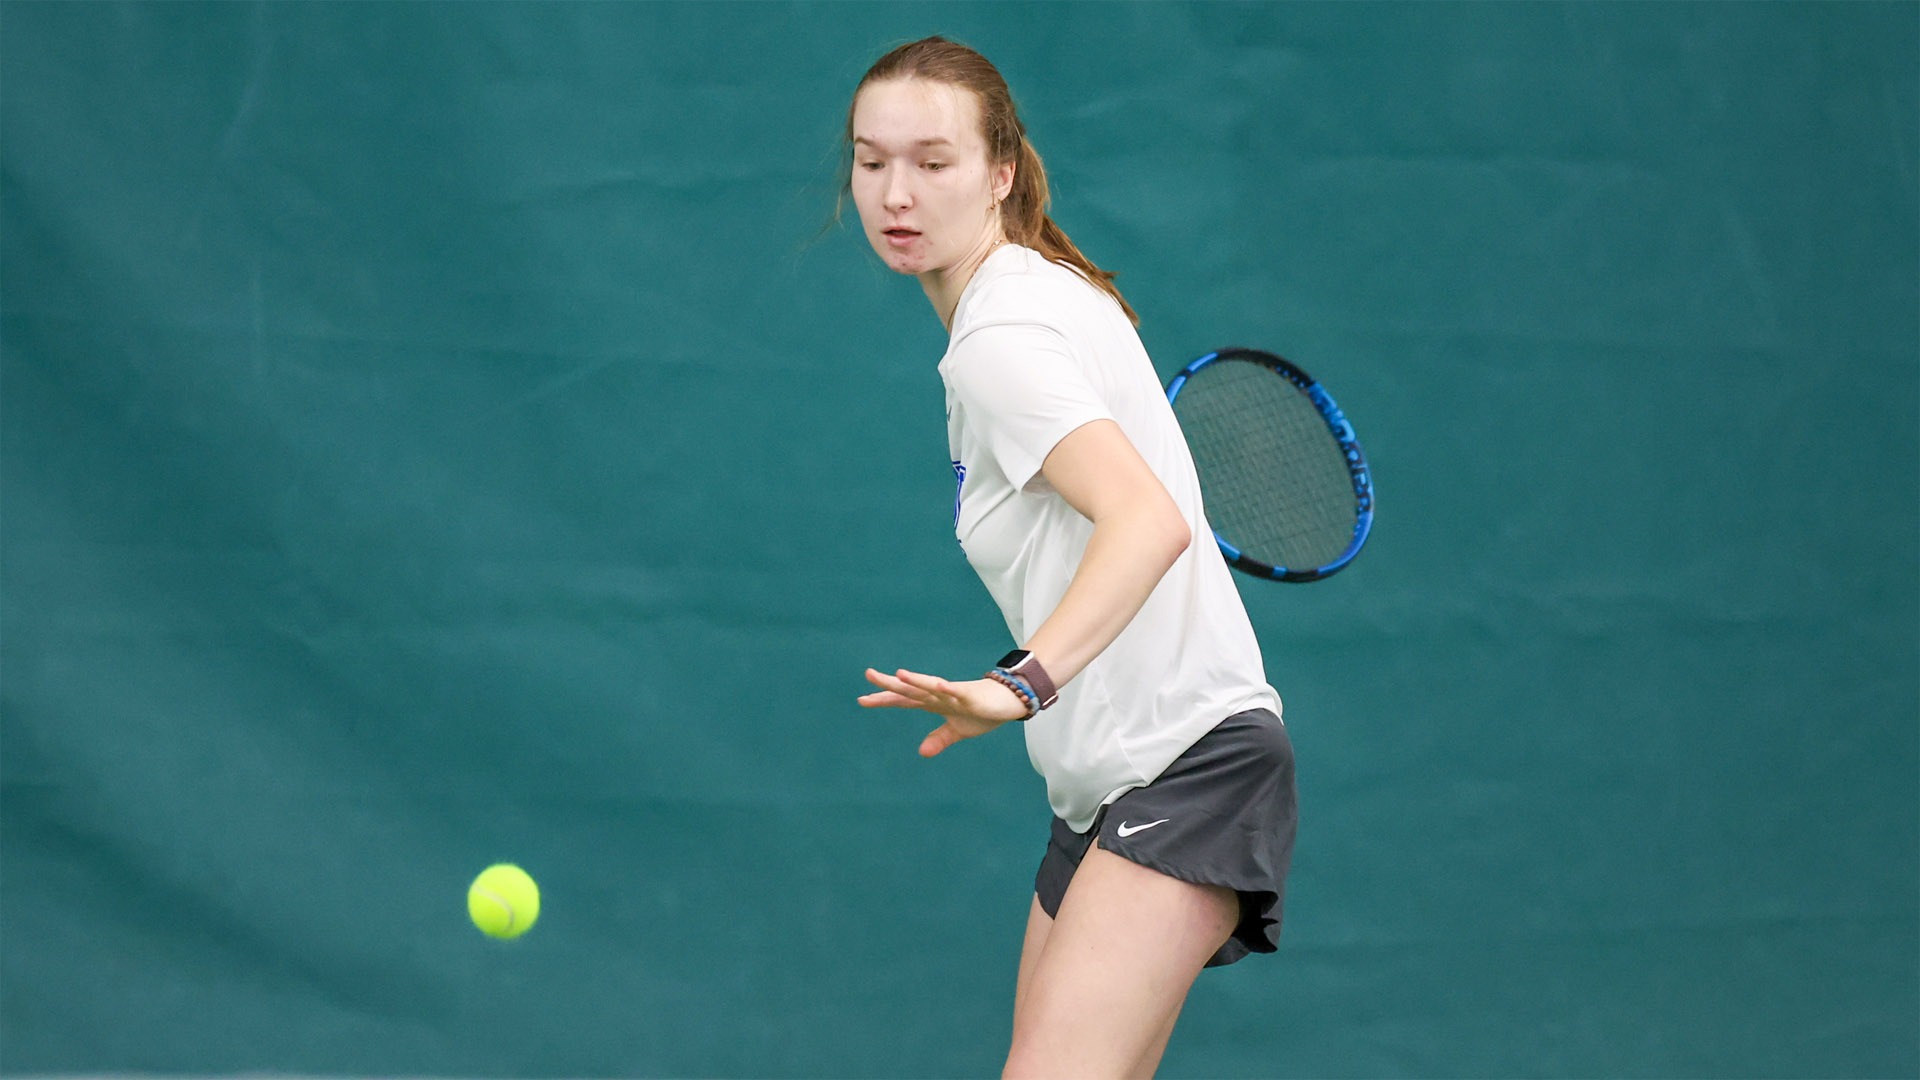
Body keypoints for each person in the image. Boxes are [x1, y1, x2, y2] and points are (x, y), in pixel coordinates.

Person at [845, 36, 1297, 1079]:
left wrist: (1019, 684)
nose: (896, 193)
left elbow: (1148, 520)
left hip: (1187, 760)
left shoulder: (1003, 336)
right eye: (872, 163)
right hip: (1102, 788)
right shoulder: (1039, 293)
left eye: (933, 161)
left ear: (1000, 171)